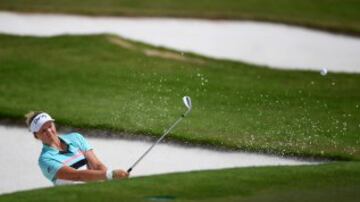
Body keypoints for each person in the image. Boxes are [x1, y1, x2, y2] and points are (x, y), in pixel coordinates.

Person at [25, 111, 128, 185]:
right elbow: (77, 176)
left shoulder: (75, 138)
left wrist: (109, 182)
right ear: (36, 136)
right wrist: (110, 175)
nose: (49, 131)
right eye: (43, 130)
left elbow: (97, 165)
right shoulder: (45, 159)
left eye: (50, 126)